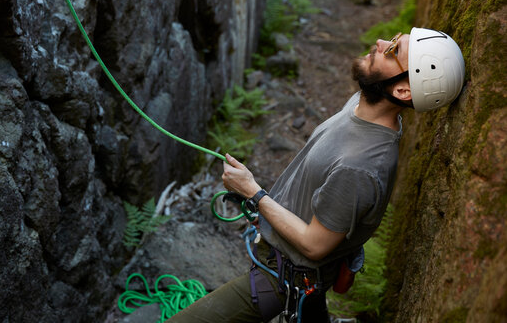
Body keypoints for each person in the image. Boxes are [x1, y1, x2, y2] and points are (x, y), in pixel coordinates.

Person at [167, 27, 465, 322]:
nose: (380, 42)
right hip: (290, 263)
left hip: (283, 278)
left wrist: (254, 194)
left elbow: (315, 245)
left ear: (403, 90)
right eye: (395, 39)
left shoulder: (360, 166)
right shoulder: (363, 105)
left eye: (393, 50)